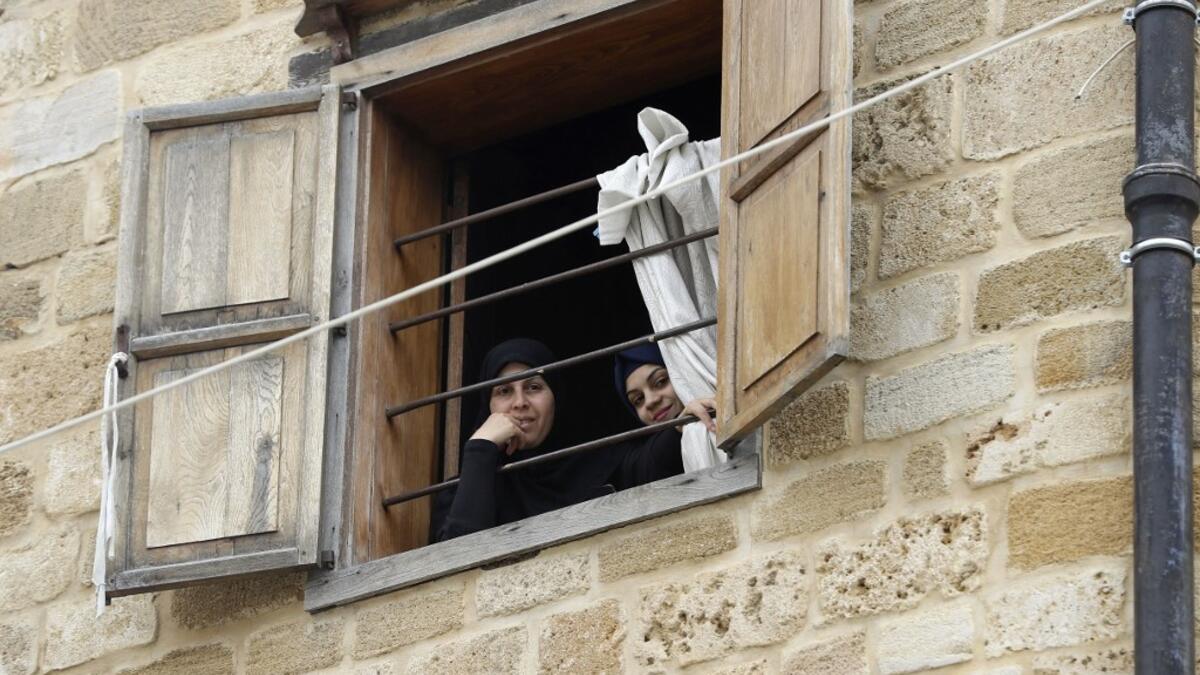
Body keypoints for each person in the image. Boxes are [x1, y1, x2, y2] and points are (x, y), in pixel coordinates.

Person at [435, 338, 684, 542]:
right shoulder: (463, 491)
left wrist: (684, 424)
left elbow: (654, 462)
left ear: (556, 399)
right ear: (487, 405)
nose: (520, 402)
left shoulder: (599, 459)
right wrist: (481, 449)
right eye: (504, 391)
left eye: (533, 387)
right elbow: (456, 578)